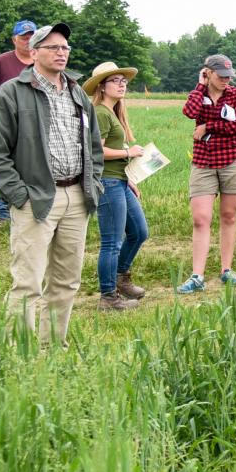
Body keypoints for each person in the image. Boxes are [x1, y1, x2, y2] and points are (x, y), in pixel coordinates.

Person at [0, 23, 103, 347]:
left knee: (66, 281)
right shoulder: (12, 92)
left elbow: (93, 146)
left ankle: (52, 350)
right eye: (53, 47)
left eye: (65, 48)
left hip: (77, 198)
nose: (61, 53)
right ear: (33, 53)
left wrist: (93, 184)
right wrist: (19, 196)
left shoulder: (77, 92)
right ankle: (20, 354)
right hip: (35, 200)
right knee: (28, 282)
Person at [177, 54, 236, 293]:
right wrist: (200, 86)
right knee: (200, 218)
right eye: (221, 76)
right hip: (203, 161)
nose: (226, 80)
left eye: (229, 76)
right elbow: (188, 112)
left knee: (228, 215)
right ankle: (197, 276)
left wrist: (208, 126)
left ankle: (226, 270)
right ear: (208, 73)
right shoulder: (199, 94)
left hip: (233, 159)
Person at [84, 61, 149, 310]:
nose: (122, 85)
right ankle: (108, 296)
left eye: (124, 81)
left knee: (139, 232)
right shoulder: (100, 112)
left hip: (120, 180)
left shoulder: (113, 112)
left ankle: (121, 277)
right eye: (115, 81)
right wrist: (128, 151)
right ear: (101, 86)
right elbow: (95, 150)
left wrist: (129, 178)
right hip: (107, 183)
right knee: (112, 241)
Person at [0, 20, 37, 227]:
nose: (28, 41)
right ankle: (4, 215)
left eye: (32, 36)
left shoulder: (41, 62)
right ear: (14, 40)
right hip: (9, 126)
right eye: (23, 37)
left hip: (34, 127)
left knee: (31, 167)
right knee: (7, 166)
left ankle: (31, 209)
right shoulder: (1, 62)